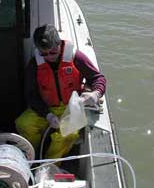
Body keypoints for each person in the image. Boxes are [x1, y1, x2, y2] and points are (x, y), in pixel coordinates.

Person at [15, 24, 106, 159]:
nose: (49, 56)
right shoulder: (34, 65)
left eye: (52, 52)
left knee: (68, 134)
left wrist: (96, 93)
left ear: (59, 45)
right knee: (23, 123)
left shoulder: (76, 57)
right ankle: (30, 155)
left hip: (71, 108)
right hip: (45, 108)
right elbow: (31, 95)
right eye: (43, 53)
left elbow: (98, 78)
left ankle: (49, 165)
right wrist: (47, 115)